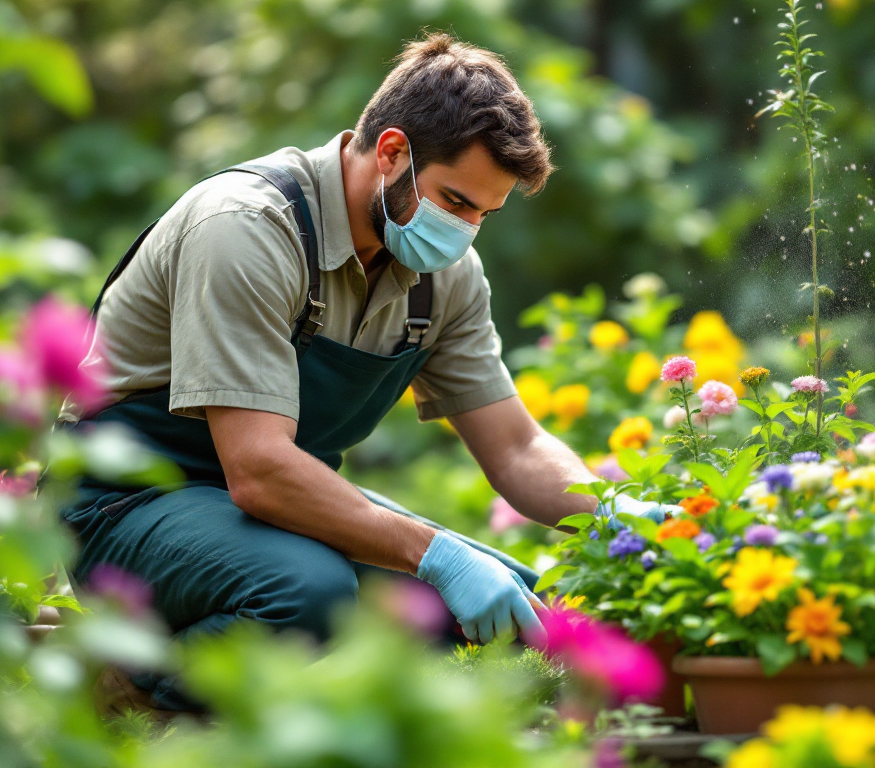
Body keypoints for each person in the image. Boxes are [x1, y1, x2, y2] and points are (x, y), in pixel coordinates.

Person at [56, 32, 675, 715]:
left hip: (263, 510)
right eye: (457, 202)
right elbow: (258, 470)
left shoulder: (444, 276)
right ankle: (129, 690)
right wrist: (435, 552)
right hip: (124, 504)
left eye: (485, 215)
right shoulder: (246, 228)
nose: (467, 230)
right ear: (391, 152)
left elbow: (518, 446)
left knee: (497, 607)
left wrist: (627, 517)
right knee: (307, 592)